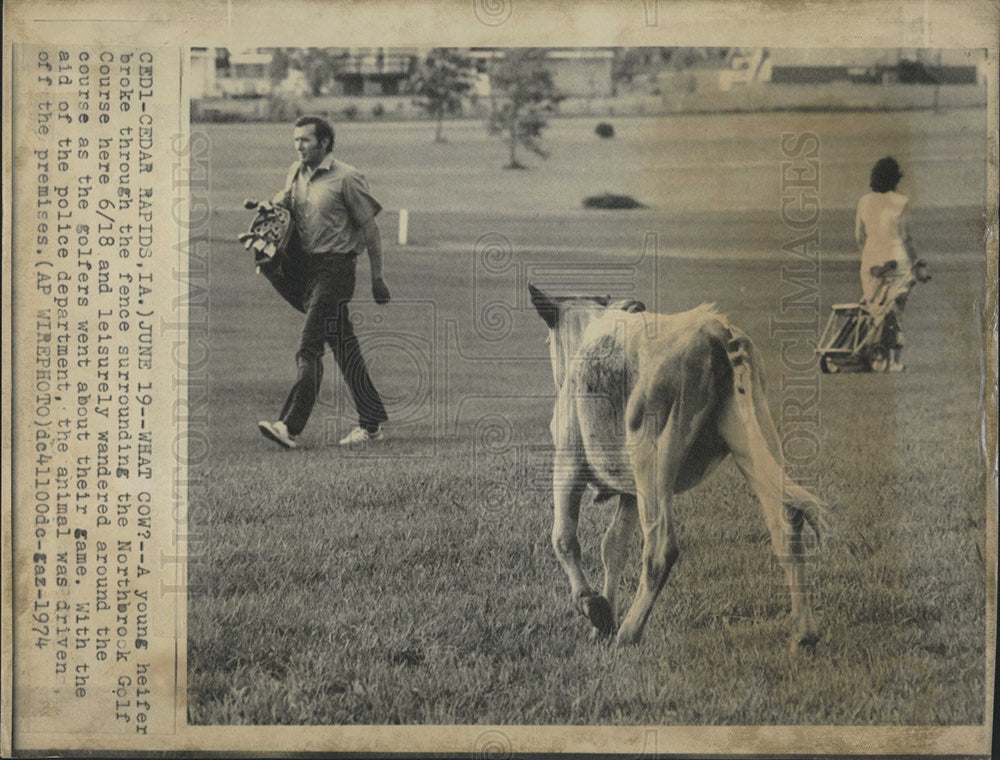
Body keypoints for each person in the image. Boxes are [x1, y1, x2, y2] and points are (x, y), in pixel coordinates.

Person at [257, 115, 390, 449]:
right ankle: (372, 425)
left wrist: (377, 278)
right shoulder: (295, 172)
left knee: (309, 346)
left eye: (305, 139)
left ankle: (289, 427)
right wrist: (268, 207)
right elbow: (286, 201)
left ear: (325, 142)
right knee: (345, 348)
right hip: (306, 270)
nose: (298, 145)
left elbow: (371, 231)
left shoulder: (347, 178)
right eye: (296, 140)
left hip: (337, 270)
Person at [855, 156, 917, 372]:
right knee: (895, 312)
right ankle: (894, 360)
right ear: (895, 179)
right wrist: (917, 263)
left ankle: (874, 356)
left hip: (871, 262)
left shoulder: (863, 201)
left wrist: (870, 255)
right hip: (897, 262)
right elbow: (905, 237)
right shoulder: (902, 202)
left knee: (876, 312)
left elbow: (859, 237)